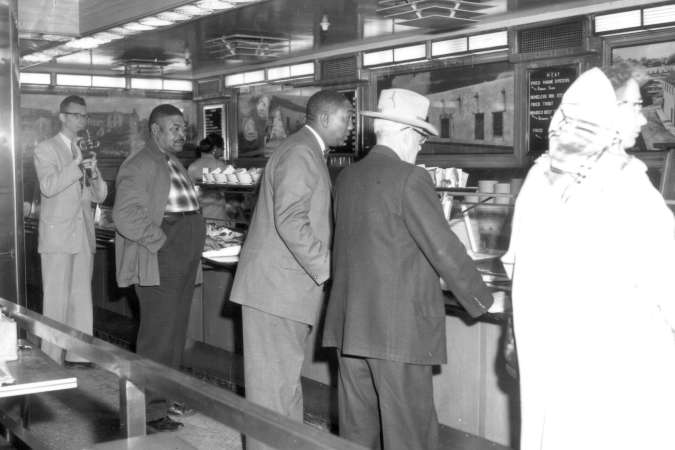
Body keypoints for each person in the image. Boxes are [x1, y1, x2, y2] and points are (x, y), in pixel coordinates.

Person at [502, 65, 675, 450]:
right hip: (617, 361)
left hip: (556, 357)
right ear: (603, 114)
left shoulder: (539, 177)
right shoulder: (625, 179)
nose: (641, 115)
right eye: (630, 105)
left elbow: (517, 266)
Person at [322, 88, 503, 450]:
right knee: (409, 435)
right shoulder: (410, 178)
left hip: (350, 327)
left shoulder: (346, 178)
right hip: (397, 333)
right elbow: (445, 249)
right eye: (420, 139)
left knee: (357, 434)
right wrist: (484, 300)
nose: (420, 149)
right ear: (407, 134)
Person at [229, 89, 353, 450]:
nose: (350, 127)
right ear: (326, 118)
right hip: (276, 291)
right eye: (346, 119)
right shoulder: (301, 152)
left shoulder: (304, 149)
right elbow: (290, 219)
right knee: (272, 394)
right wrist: (328, 268)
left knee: (281, 386)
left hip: (281, 289)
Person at [113, 104, 205, 432]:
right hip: (161, 258)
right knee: (157, 338)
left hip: (182, 255)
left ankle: (167, 397)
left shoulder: (170, 160)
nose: (183, 134)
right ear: (156, 130)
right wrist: (163, 242)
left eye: (184, 128)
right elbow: (125, 215)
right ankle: (149, 414)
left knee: (174, 335)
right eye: (175, 128)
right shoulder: (139, 164)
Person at [33, 95, 107, 366]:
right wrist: (75, 164)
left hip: (83, 235)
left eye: (84, 116)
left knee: (81, 298)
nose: (81, 120)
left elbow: (99, 197)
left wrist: (95, 174)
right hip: (58, 236)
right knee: (56, 300)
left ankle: (79, 354)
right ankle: (51, 358)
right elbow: (49, 186)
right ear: (62, 117)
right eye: (76, 115)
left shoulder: (84, 148)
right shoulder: (45, 149)